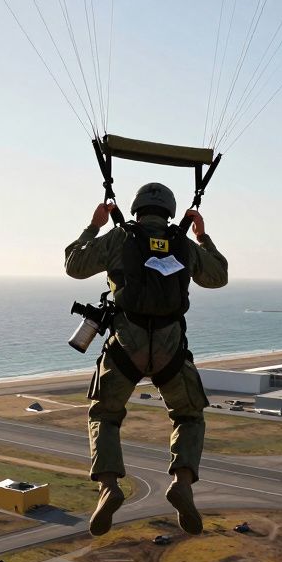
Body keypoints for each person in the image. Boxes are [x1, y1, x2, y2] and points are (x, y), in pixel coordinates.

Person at [65, 182, 228, 537]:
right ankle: (182, 482)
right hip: (170, 347)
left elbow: (75, 266)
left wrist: (93, 226)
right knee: (188, 415)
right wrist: (203, 237)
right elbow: (219, 277)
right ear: (169, 211)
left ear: (136, 208)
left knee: (105, 415)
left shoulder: (120, 238)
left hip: (127, 343)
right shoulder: (182, 243)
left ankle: (108, 487)